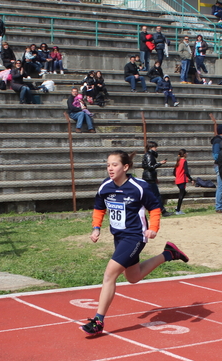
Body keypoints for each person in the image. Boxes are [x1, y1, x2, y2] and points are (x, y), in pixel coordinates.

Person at [80, 151, 189, 336]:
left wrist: (153, 228)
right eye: (108, 165)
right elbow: (99, 208)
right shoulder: (105, 187)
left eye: (114, 165)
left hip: (135, 236)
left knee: (109, 275)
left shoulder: (139, 187)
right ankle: (169, 254)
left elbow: (155, 207)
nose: (110, 168)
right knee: (133, 277)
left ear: (126, 167)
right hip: (119, 237)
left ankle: (98, 320)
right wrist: (96, 228)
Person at [142, 141, 169, 216]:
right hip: (149, 178)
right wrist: (160, 163)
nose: (156, 149)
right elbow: (150, 167)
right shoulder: (149, 155)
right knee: (156, 195)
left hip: (150, 177)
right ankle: (162, 211)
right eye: (155, 147)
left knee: (153, 195)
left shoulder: (149, 155)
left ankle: (160, 210)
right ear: (151, 147)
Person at [211, 124, 222, 212]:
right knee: (221, 187)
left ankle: (220, 205)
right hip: (220, 165)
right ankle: (218, 206)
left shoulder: (220, 140)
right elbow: (216, 155)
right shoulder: (217, 141)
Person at [173, 149, 193, 215]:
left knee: (183, 192)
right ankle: (178, 210)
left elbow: (174, 172)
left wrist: (178, 176)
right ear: (184, 154)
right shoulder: (184, 161)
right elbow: (186, 171)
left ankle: (177, 207)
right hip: (182, 180)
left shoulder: (178, 161)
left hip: (178, 180)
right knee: (181, 195)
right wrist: (191, 179)